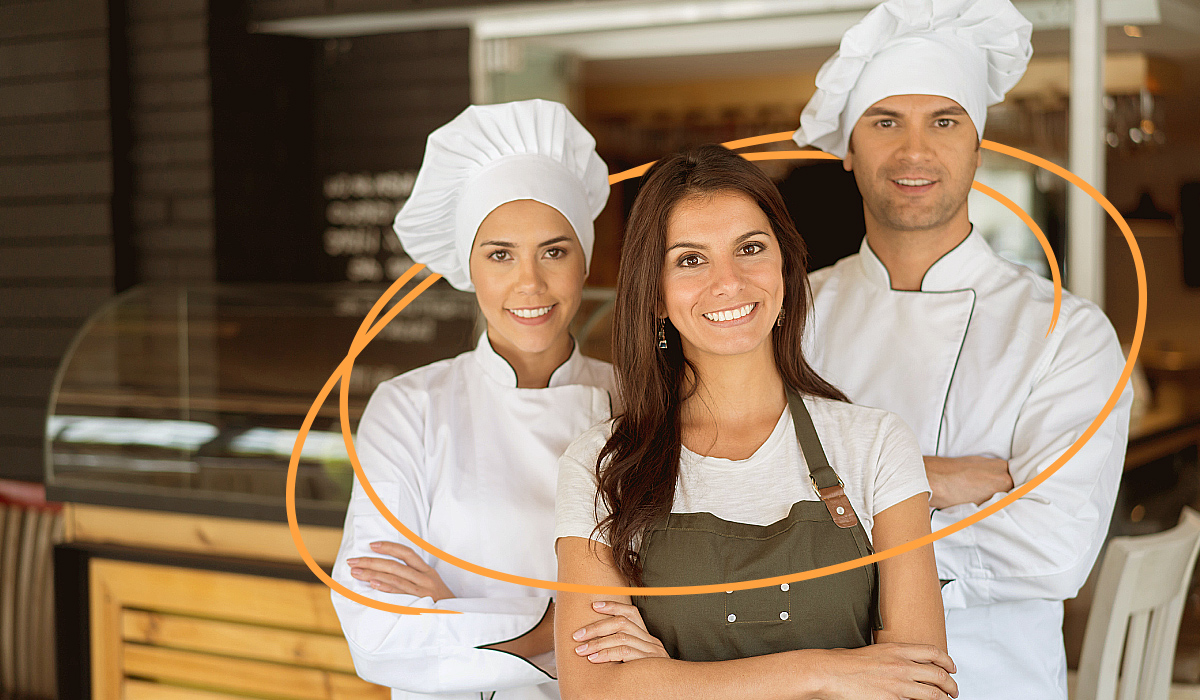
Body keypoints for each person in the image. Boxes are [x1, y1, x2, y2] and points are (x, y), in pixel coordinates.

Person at [792, 1, 1134, 698]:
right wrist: (934, 481)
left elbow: (1053, 551)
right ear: (849, 148)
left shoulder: (1066, 333)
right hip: (819, 682)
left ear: (979, 146)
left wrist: (826, 524)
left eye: (943, 122)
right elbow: (725, 498)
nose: (914, 152)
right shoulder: (788, 314)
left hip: (992, 683)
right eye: (886, 121)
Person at [554, 143, 958, 700]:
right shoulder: (604, 464)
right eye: (691, 259)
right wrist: (832, 670)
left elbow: (921, 684)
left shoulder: (875, 444)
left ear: (786, 268)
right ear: (655, 296)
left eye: (750, 248)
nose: (730, 281)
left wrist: (666, 678)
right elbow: (594, 690)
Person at [330, 99, 614, 700]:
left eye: (554, 251)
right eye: (500, 254)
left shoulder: (638, 401)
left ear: (585, 260)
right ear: (469, 267)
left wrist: (456, 613)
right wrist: (546, 628)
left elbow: (673, 603)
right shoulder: (409, 407)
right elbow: (375, 625)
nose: (529, 283)